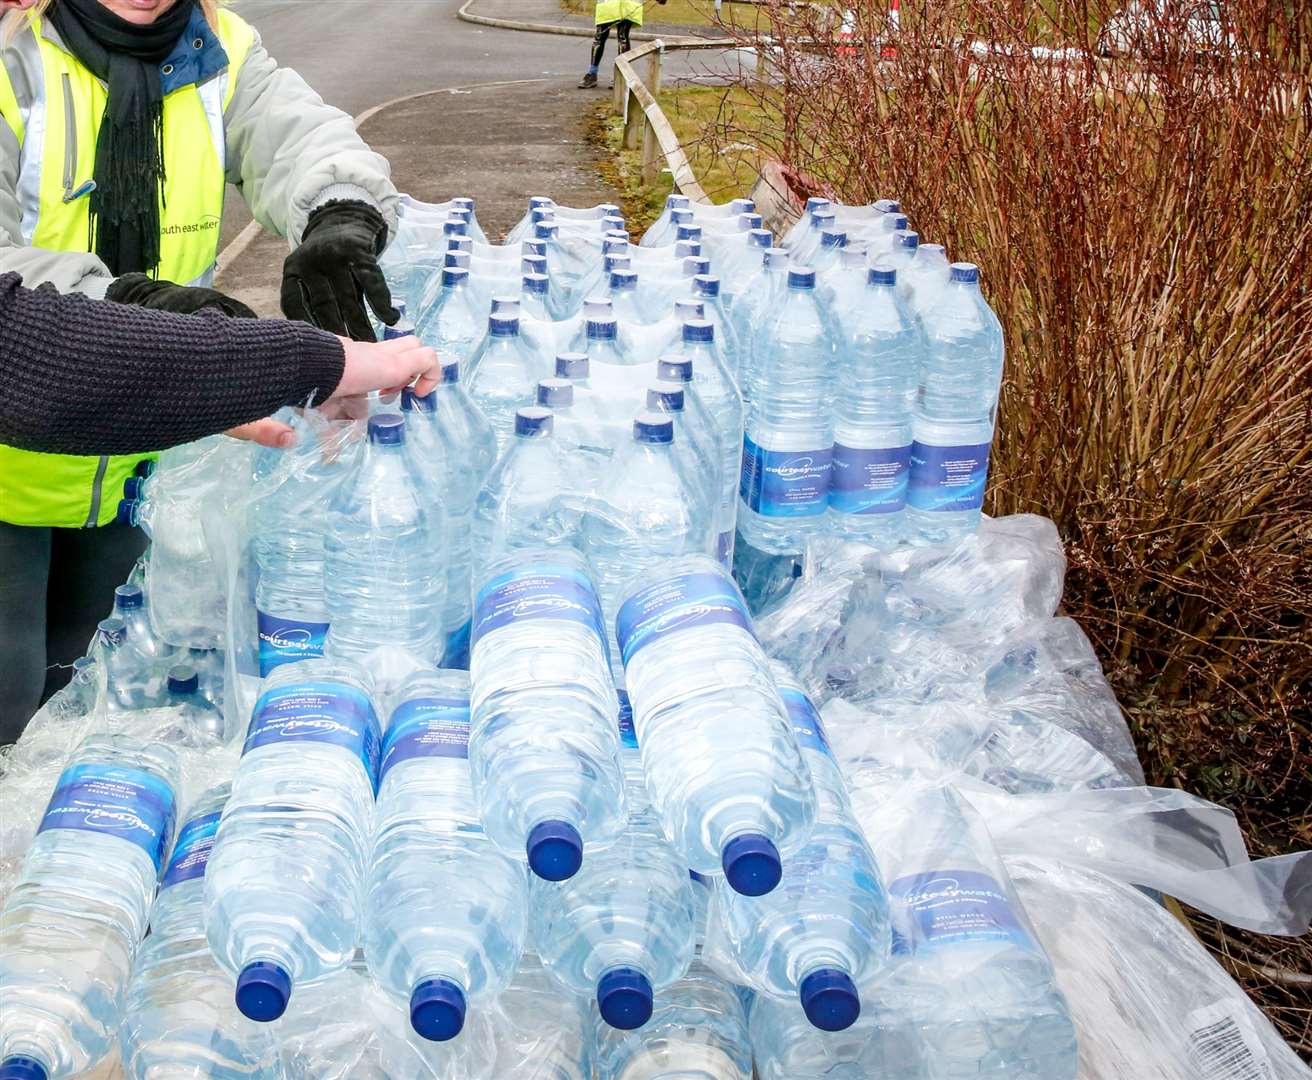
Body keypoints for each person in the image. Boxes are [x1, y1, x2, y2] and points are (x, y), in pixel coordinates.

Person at [0, 0, 403, 714]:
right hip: (15, 454)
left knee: (93, 708)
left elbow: (297, 136)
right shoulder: (14, 51)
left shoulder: (217, 43)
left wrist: (341, 211)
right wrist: (148, 311)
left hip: (138, 453)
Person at [0, 271, 441, 456]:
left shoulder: (216, 75)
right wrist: (300, 361)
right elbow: (22, 356)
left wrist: (343, 210)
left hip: (136, 439)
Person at [578, 0, 661, 89]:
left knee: (622, 38)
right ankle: (592, 73)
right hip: (606, 6)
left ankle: (621, 75)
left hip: (626, 6)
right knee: (599, 38)